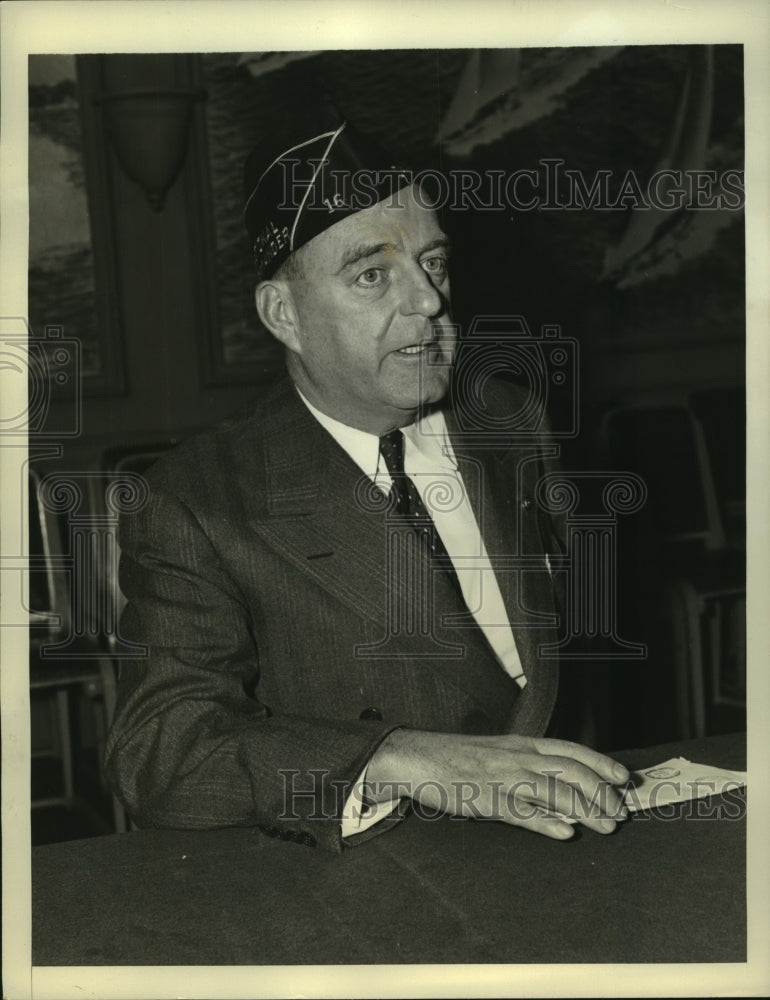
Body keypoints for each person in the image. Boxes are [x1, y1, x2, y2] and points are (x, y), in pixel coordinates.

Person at [105, 117, 630, 852]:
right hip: (368, 888)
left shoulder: (510, 417)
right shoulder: (199, 499)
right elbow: (161, 753)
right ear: (283, 315)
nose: (428, 302)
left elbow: (559, 670)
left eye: (434, 264)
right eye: (373, 275)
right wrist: (395, 758)